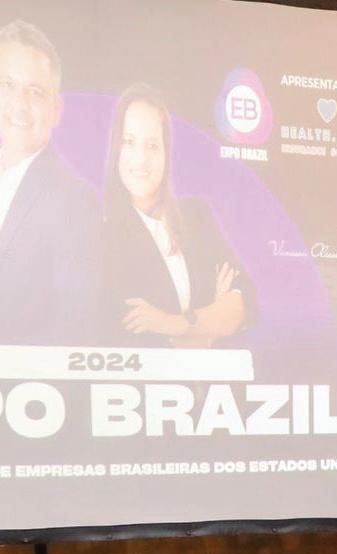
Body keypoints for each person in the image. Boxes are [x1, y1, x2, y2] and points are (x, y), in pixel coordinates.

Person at [102, 83, 252, 347]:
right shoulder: (104, 235)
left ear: (166, 152)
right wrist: (210, 326)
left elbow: (244, 303)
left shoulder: (197, 215)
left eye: (152, 145)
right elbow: (133, 335)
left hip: (213, 375)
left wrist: (172, 323)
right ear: (116, 148)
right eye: (129, 142)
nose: (140, 158)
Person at [0, 20, 99, 345]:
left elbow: (75, 326)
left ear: (56, 110)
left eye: (35, 92)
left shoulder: (73, 199)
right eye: (7, 85)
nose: (19, 104)